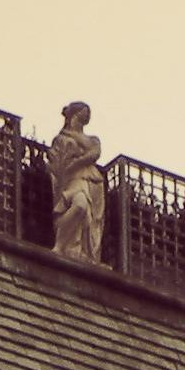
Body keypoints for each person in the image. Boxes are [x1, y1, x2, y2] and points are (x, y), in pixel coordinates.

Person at [46, 102, 107, 263]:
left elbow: (94, 153)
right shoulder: (60, 139)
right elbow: (56, 164)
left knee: (89, 219)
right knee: (80, 205)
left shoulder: (91, 139)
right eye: (84, 111)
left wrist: (76, 162)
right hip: (72, 181)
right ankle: (60, 245)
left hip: (93, 182)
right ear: (75, 113)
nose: (87, 114)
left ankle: (82, 252)